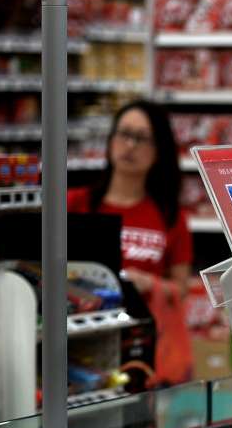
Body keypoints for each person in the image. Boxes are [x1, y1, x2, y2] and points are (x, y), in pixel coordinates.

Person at [68, 101, 192, 300]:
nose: (130, 145)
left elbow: (181, 290)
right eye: (124, 133)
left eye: (142, 138)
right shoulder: (73, 202)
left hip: (144, 326)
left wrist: (149, 283)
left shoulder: (171, 216)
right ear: (110, 140)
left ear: (159, 150)